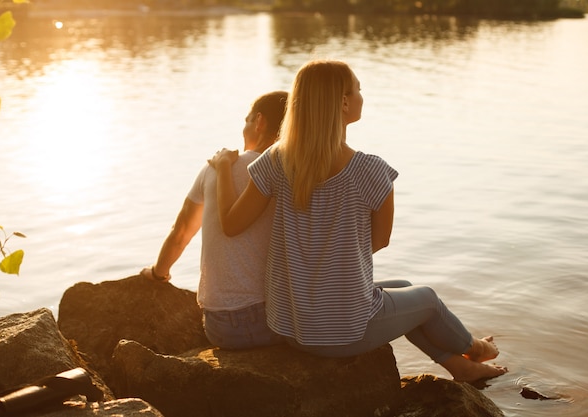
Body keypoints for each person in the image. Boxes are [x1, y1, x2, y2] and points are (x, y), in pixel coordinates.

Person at [210, 60, 508, 382]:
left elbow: (231, 224)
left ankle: (460, 367)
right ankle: (474, 348)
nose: (362, 97)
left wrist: (224, 169)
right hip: (343, 335)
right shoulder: (371, 172)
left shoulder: (276, 160)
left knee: (406, 289)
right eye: (359, 89)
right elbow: (379, 241)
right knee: (429, 301)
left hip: (290, 326)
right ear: (343, 102)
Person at [141, 90, 288, 350]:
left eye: (247, 119)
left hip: (222, 326)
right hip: (276, 320)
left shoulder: (216, 167)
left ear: (260, 122)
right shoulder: (293, 173)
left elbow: (182, 232)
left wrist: (158, 274)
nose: (244, 128)